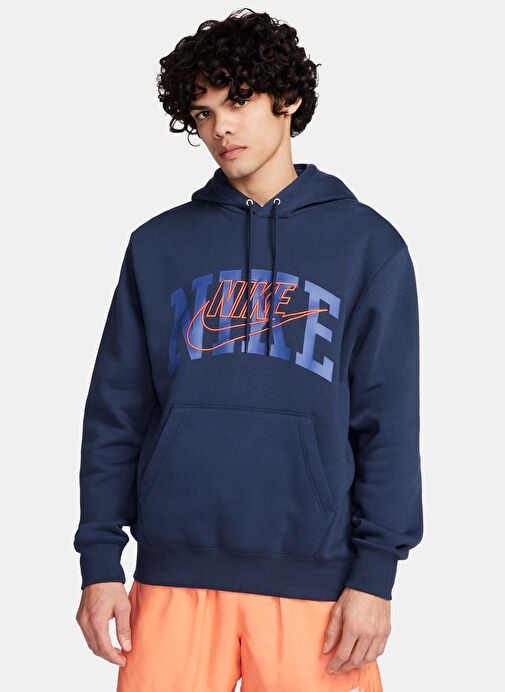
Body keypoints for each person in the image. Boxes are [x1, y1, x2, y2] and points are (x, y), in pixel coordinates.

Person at [74, 8, 423, 691]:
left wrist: (376, 574)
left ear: (286, 99)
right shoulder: (158, 246)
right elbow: (116, 412)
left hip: (316, 585)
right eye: (202, 113)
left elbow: (388, 421)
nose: (220, 129)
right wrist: (99, 561)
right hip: (171, 578)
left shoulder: (367, 247)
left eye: (237, 102)